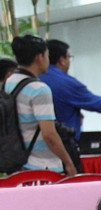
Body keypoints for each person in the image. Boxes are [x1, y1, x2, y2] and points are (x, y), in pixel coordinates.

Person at [5, 35, 76, 175]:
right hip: (42, 168)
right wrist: (68, 163)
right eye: (47, 55)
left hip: (17, 164)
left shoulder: (10, 82)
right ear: (39, 57)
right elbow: (49, 135)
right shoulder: (39, 89)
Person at [39, 39, 101, 140]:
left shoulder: (35, 78)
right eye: (69, 57)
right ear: (62, 60)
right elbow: (100, 104)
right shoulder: (67, 83)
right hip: (61, 141)